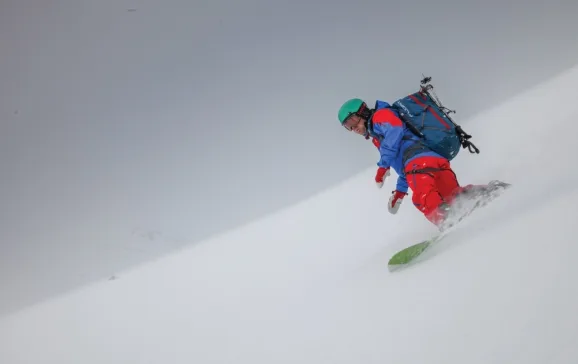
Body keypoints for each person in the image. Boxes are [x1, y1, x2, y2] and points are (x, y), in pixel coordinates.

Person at [338, 98, 473, 229]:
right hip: (430, 161)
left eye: (353, 120)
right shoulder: (378, 137)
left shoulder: (381, 115)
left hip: (419, 163)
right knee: (452, 197)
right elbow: (404, 167)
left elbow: (395, 130)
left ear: (363, 112)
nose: (354, 127)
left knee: (422, 197)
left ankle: (446, 220)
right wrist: (400, 192)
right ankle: (481, 195)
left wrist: (383, 166)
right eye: (348, 126)